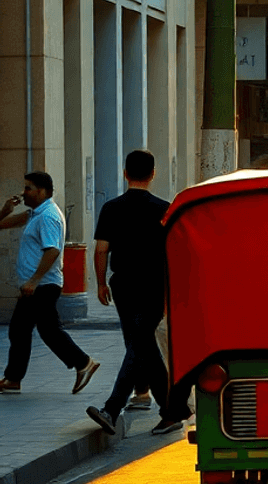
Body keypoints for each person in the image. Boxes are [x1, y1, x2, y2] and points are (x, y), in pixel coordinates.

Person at [85, 150, 186, 436]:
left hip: (123, 285)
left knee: (138, 344)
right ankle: (172, 412)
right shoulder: (165, 209)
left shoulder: (111, 208)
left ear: (125, 173)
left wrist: (101, 283)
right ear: (153, 174)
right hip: (154, 286)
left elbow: (102, 249)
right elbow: (174, 255)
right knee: (143, 347)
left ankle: (112, 409)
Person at [0, 172, 100, 395]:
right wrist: (6, 209)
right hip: (36, 285)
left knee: (45, 330)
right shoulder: (34, 215)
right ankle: (13, 379)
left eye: (28, 188)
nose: (23, 193)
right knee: (23, 330)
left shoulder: (48, 216)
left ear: (42, 191)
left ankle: (83, 362)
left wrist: (34, 281)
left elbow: (52, 250)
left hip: (43, 285)